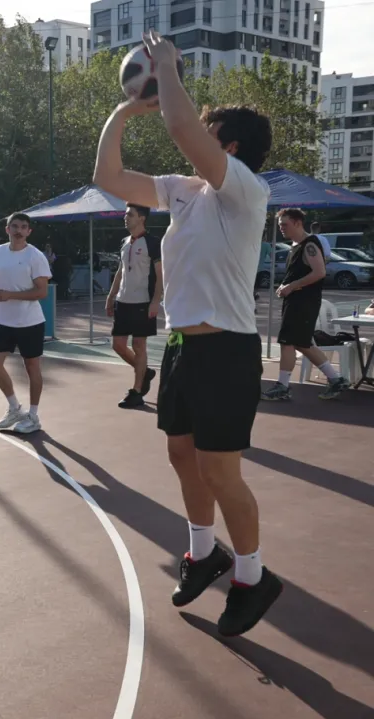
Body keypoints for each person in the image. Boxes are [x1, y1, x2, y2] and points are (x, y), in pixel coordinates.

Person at [92, 29, 281, 636]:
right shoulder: (183, 192)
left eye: (207, 129)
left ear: (228, 145)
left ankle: (252, 577)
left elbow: (178, 126)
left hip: (226, 348)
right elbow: (108, 176)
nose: (194, 129)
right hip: (180, 345)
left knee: (221, 471)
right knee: (182, 456)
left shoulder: (245, 190)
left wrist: (168, 63)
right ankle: (204, 554)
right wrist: (124, 111)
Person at [262, 209, 350, 401]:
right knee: (302, 343)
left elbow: (319, 272)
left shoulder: (309, 244)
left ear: (297, 223)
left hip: (303, 302)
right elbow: (298, 273)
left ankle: (283, 386)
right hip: (296, 300)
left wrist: (292, 286)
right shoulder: (295, 246)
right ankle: (336, 379)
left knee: (288, 341)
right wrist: (285, 286)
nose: (281, 228)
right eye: (280, 225)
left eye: (284, 224)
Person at [0, 213, 52, 435]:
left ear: (29, 231)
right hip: (3, 319)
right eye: (14, 226)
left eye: (23, 227)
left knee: (32, 367)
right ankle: (15, 408)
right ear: (7, 229)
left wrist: (11, 295)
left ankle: (33, 416)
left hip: (29, 321)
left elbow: (42, 292)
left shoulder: (35, 256)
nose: (18, 231)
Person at [105, 203, 163, 408]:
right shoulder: (124, 242)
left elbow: (160, 275)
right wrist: (111, 296)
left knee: (139, 345)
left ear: (142, 218)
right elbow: (121, 271)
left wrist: (155, 301)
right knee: (118, 345)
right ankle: (144, 371)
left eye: (130, 214)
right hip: (123, 301)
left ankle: (137, 392)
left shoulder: (153, 243)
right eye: (126, 214)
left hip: (143, 302)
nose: (126, 217)